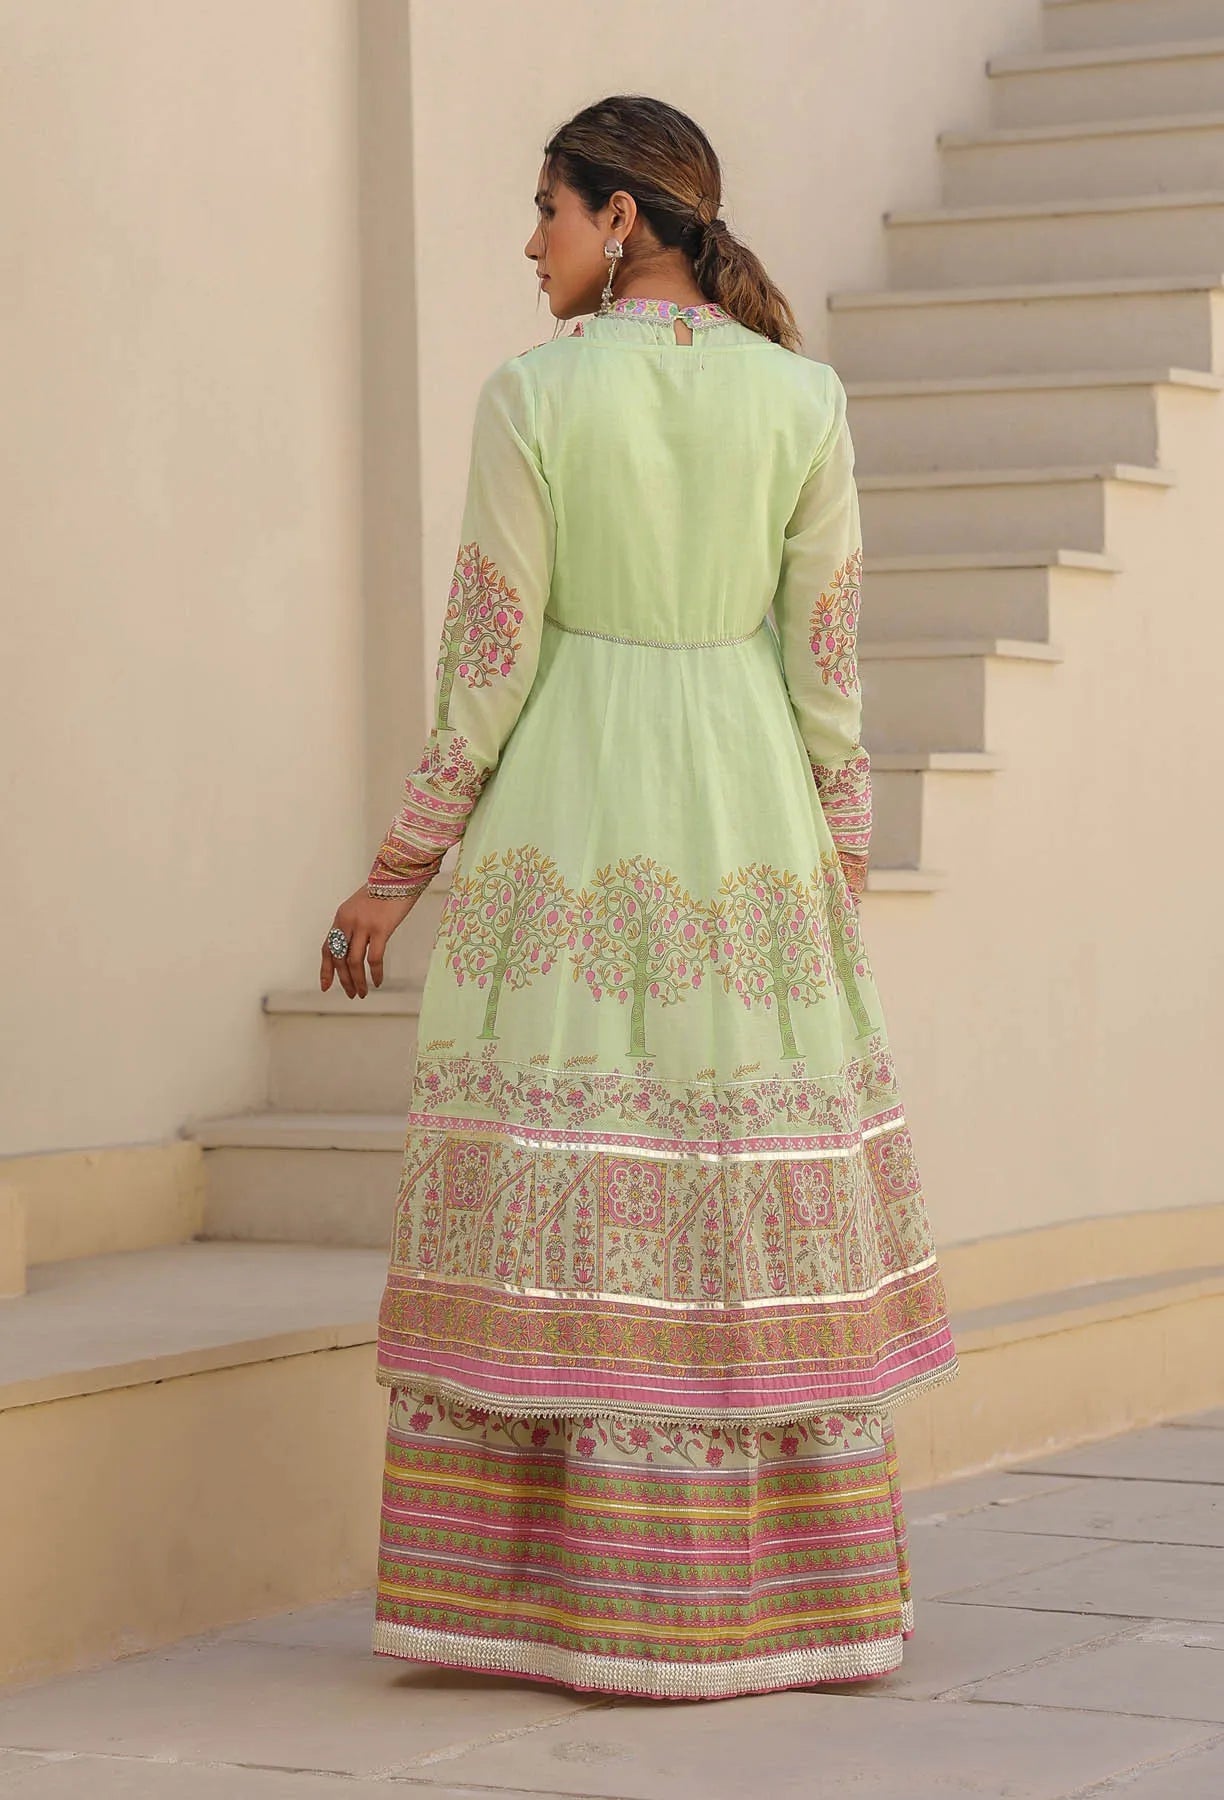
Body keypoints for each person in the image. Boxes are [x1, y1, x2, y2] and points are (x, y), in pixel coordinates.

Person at [321, 94, 958, 1702]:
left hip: (576, 813)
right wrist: (843, 865)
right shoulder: (800, 398)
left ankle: (560, 1606)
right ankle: (786, 1604)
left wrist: (399, 871)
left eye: (546, 207)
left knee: (579, 1173)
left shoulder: (535, 394)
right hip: (747, 818)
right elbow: (828, 664)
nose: (526, 240)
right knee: (723, 1194)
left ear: (625, 223)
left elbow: (486, 663)